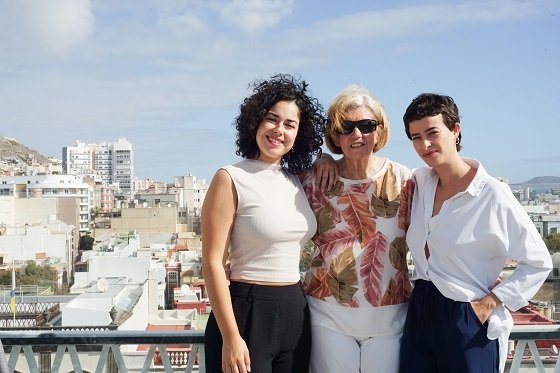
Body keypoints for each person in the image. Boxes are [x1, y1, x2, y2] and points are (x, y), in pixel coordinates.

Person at [399, 93, 553, 373]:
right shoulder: (420, 182)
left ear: (455, 130)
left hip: (465, 315)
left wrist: (490, 303)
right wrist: (326, 158)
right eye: (415, 137)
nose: (425, 144)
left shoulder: (492, 194)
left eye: (432, 133)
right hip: (419, 309)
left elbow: (538, 261)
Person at [201, 73, 324, 373]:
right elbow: (213, 262)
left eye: (289, 125)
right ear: (255, 121)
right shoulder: (230, 177)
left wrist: (327, 160)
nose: (279, 130)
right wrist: (231, 337)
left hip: (295, 311)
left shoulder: (296, 179)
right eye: (272, 119)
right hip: (247, 312)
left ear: (299, 134)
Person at [300, 85, 414, 373]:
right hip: (327, 315)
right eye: (345, 127)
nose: (357, 135)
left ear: (380, 129)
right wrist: (321, 157)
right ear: (334, 134)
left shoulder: (405, 180)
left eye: (366, 125)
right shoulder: (315, 181)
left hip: (390, 316)